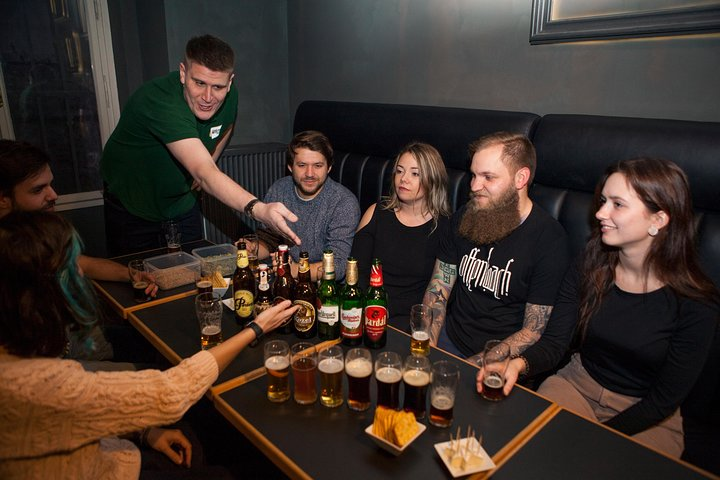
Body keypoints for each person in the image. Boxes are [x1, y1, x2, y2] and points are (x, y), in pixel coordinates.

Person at [0, 210, 299, 479]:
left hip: (112, 448)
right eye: (72, 265)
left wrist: (145, 431)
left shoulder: (18, 354)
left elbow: (84, 412)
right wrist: (256, 328)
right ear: (43, 286)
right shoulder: (45, 383)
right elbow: (171, 391)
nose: (81, 272)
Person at [481, 158, 719, 458]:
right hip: (577, 386)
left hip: (647, 413)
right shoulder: (588, 265)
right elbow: (556, 342)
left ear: (658, 220)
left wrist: (596, 439)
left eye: (618, 204)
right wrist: (517, 364)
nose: (600, 213)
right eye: (604, 201)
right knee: (528, 454)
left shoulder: (697, 302)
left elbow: (663, 401)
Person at [101, 34, 299, 257]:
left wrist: (211, 157)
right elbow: (204, 174)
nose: (208, 96)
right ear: (183, 74)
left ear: (229, 82)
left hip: (182, 204)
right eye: (199, 83)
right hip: (133, 206)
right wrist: (260, 209)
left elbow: (226, 126)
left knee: (196, 275)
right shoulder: (160, 100)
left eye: (217, 86)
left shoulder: (229, 95)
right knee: (138, 282)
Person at [423, 132, 570, 364]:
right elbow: (438, 288)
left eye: (488, 177)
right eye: (473, 175)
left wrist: (474, 366)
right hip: (448, 339)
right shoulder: (465, 215)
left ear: (520, 178)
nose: (474, 186)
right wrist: (427, 342)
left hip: (501, 358)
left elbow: (532, 330)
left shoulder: (549, 239)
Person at [0, 139, 156, 295]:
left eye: (50, 185)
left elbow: (83, 264)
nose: (53, 195)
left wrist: (132, 275)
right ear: (2, 199)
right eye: (38, 190)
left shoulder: (36, 233)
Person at [350, 142, 451, 328]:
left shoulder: (444, 227)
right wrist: (373, 309)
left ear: (433, 179)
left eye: (415, 173)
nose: (403, 179)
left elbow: (438, 294)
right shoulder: (376, 212)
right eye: (399, 171)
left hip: (413, 323)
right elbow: (357, 272)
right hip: (369, 312)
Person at [255, 130, 360, 281]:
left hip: (326, 291)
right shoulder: (279, 189)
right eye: (302, 165)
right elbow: (270, 241)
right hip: (284, 280)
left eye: (318, 165)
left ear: (329, 168)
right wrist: (253, 249)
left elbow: (338, 266)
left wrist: (295, 270)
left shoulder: (343, 203)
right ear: (291, 167)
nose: (309, 173)